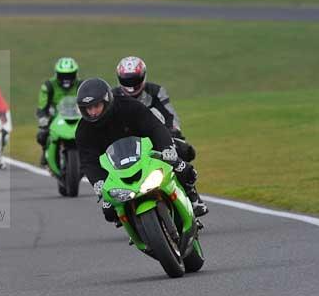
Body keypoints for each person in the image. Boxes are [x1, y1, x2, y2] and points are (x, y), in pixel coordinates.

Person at [75, 78, 208, 225]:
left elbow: (155, 127)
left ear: (106, 100)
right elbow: (88, 161)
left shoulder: (129, 106)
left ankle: (192, 197)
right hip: (115, 169)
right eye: (88, 108)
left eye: (96, 106)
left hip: (148, 151)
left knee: (184, 159)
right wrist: (98, 183)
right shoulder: (83, 131)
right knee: (109, 212)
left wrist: (167, 149)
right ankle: (130, 221)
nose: (93, 112)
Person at [113, 56, 196, 162]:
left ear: (143, 76)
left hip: (154, 139)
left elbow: (170, 115)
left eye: (134, 80)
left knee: (186, 152)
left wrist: (174, 134)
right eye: (127, 81)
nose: (131, 85)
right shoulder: (112, 96)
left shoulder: (156, 91)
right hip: (122, 145)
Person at [36, 57, 82, 166]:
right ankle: (45, 152)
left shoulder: (81, 84)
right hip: (55, 116)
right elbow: (42, 106)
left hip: (78, 116)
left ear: (75, 74)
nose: (66, 79)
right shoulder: (48, 86)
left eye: (69, 75)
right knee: (42, 135)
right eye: (63, 75)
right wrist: (43, 118)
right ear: (57, 74)